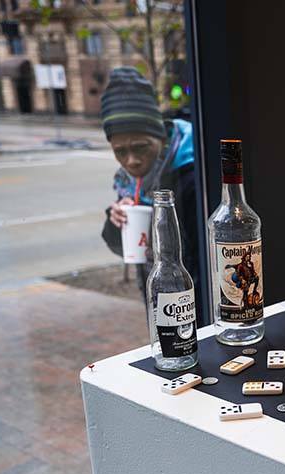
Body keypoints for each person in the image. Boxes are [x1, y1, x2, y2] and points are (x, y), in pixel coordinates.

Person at [99, 67, 201, 307]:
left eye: (141, 147)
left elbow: (198, 255)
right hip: (155, 297)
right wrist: (115, 219)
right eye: (120, 152)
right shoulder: (128, 182)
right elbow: (124, 249)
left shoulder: (191, 176)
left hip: (192, 302)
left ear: (162, 138)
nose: (131, 161)